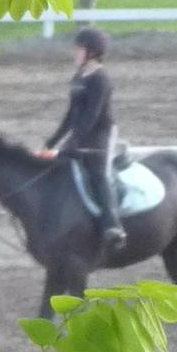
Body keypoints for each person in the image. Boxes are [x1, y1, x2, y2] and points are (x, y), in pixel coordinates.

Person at [44, 23, 123, 258]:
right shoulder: (78, 77)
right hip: (81, 134)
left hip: (101, 135)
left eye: (78, 49)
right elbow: (71, 115)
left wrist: (72, 143)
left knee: (98, 174)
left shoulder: (101, 79)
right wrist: (52, 142)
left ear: (92, 52)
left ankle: (113, 225)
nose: (74, 53)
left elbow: (92, 116)